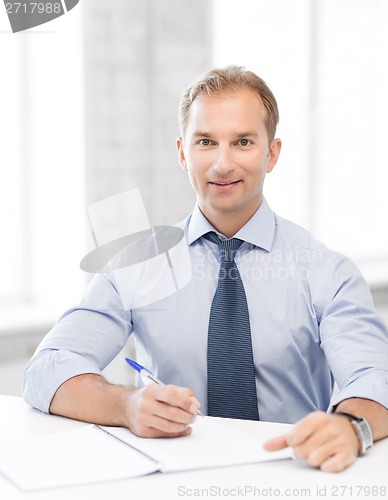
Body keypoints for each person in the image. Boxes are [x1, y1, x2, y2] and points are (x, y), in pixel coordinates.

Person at [23, 65, 388, 472]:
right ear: (183, 152)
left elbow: (375, 376)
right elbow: (46, 368)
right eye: (206, 142)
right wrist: (126, 405)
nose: (222, 164)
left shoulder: (327, 271)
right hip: (172, 481)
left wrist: (352, 426)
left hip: (294, 475)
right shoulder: (137, 265)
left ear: (272, 154)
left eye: (243, 142)